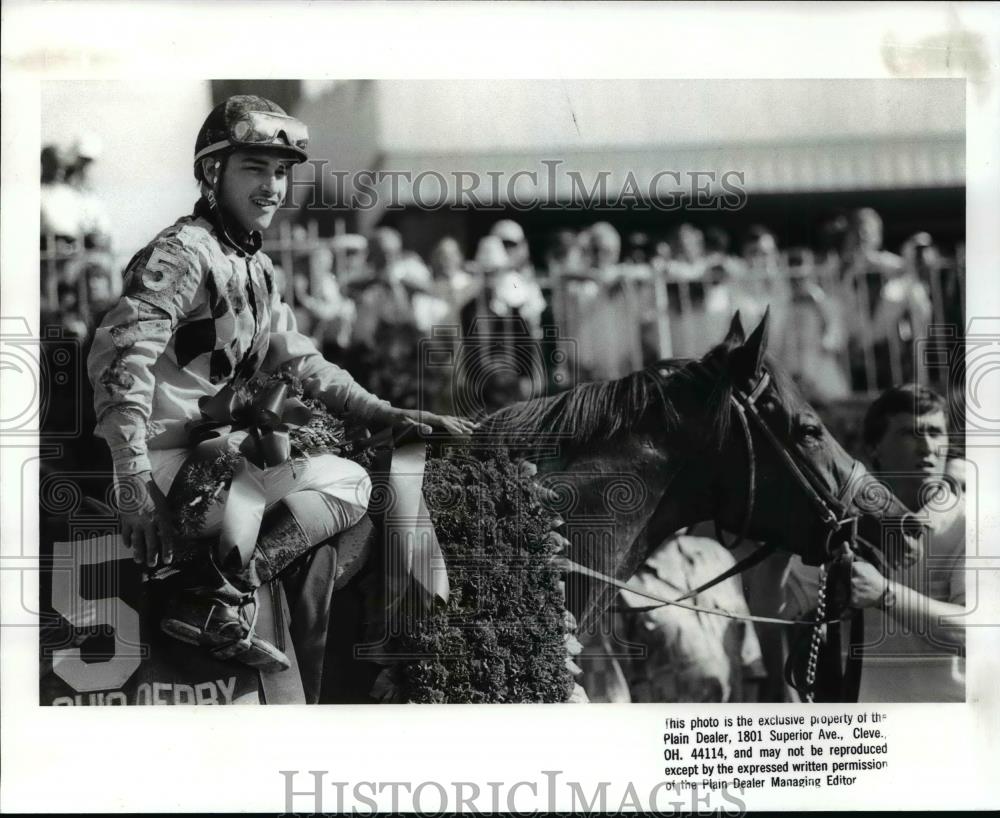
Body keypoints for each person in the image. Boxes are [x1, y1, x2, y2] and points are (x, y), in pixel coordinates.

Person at [87, 95, 475, 685]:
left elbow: (299, 359)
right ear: (212, 173)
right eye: (255, 168)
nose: (273, 187)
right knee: (348, 483)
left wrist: (382, 410)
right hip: (167, 466)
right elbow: (120, 353)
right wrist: (131, 475)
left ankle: (225, 591)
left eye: (281, 172)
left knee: (347, 478)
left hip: (217, 462)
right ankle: (215, 597)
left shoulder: (259, 268)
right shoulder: (183, 252)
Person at [784, 384, 965, 702]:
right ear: (874, 447)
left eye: (936, 433)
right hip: (868, 733)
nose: (927, 447)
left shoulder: (971, 523)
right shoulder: (845, 523)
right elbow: (786, 610)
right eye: (910, 433)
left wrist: (884, 594)